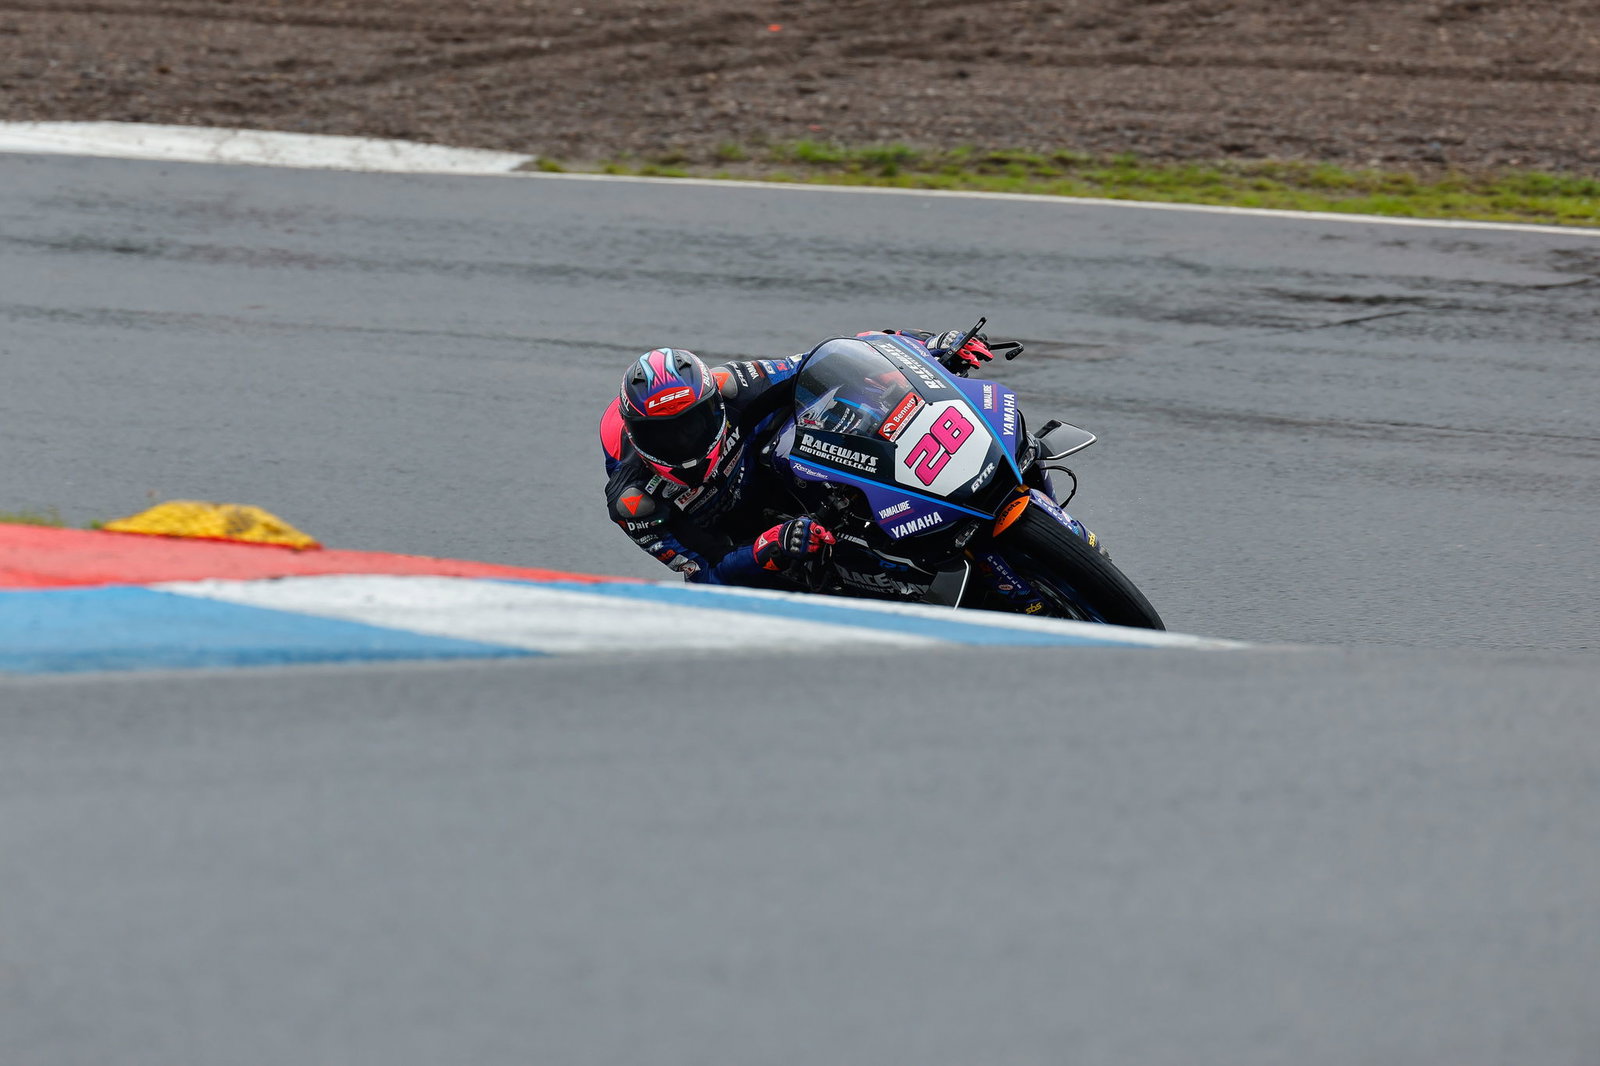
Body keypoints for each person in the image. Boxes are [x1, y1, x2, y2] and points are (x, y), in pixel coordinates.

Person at [599, 329, 995, 588]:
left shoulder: (734, 385)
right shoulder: (636, 502)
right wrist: (765, 548)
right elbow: (706, 574)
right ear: (636, 433)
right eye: (663, 433)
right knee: (764, 587)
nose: (682, 441)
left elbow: (832, 358)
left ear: (715, 403)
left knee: (838, 414)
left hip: (765, 464)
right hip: (735, 534)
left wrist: (928, 347)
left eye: (692, 423)